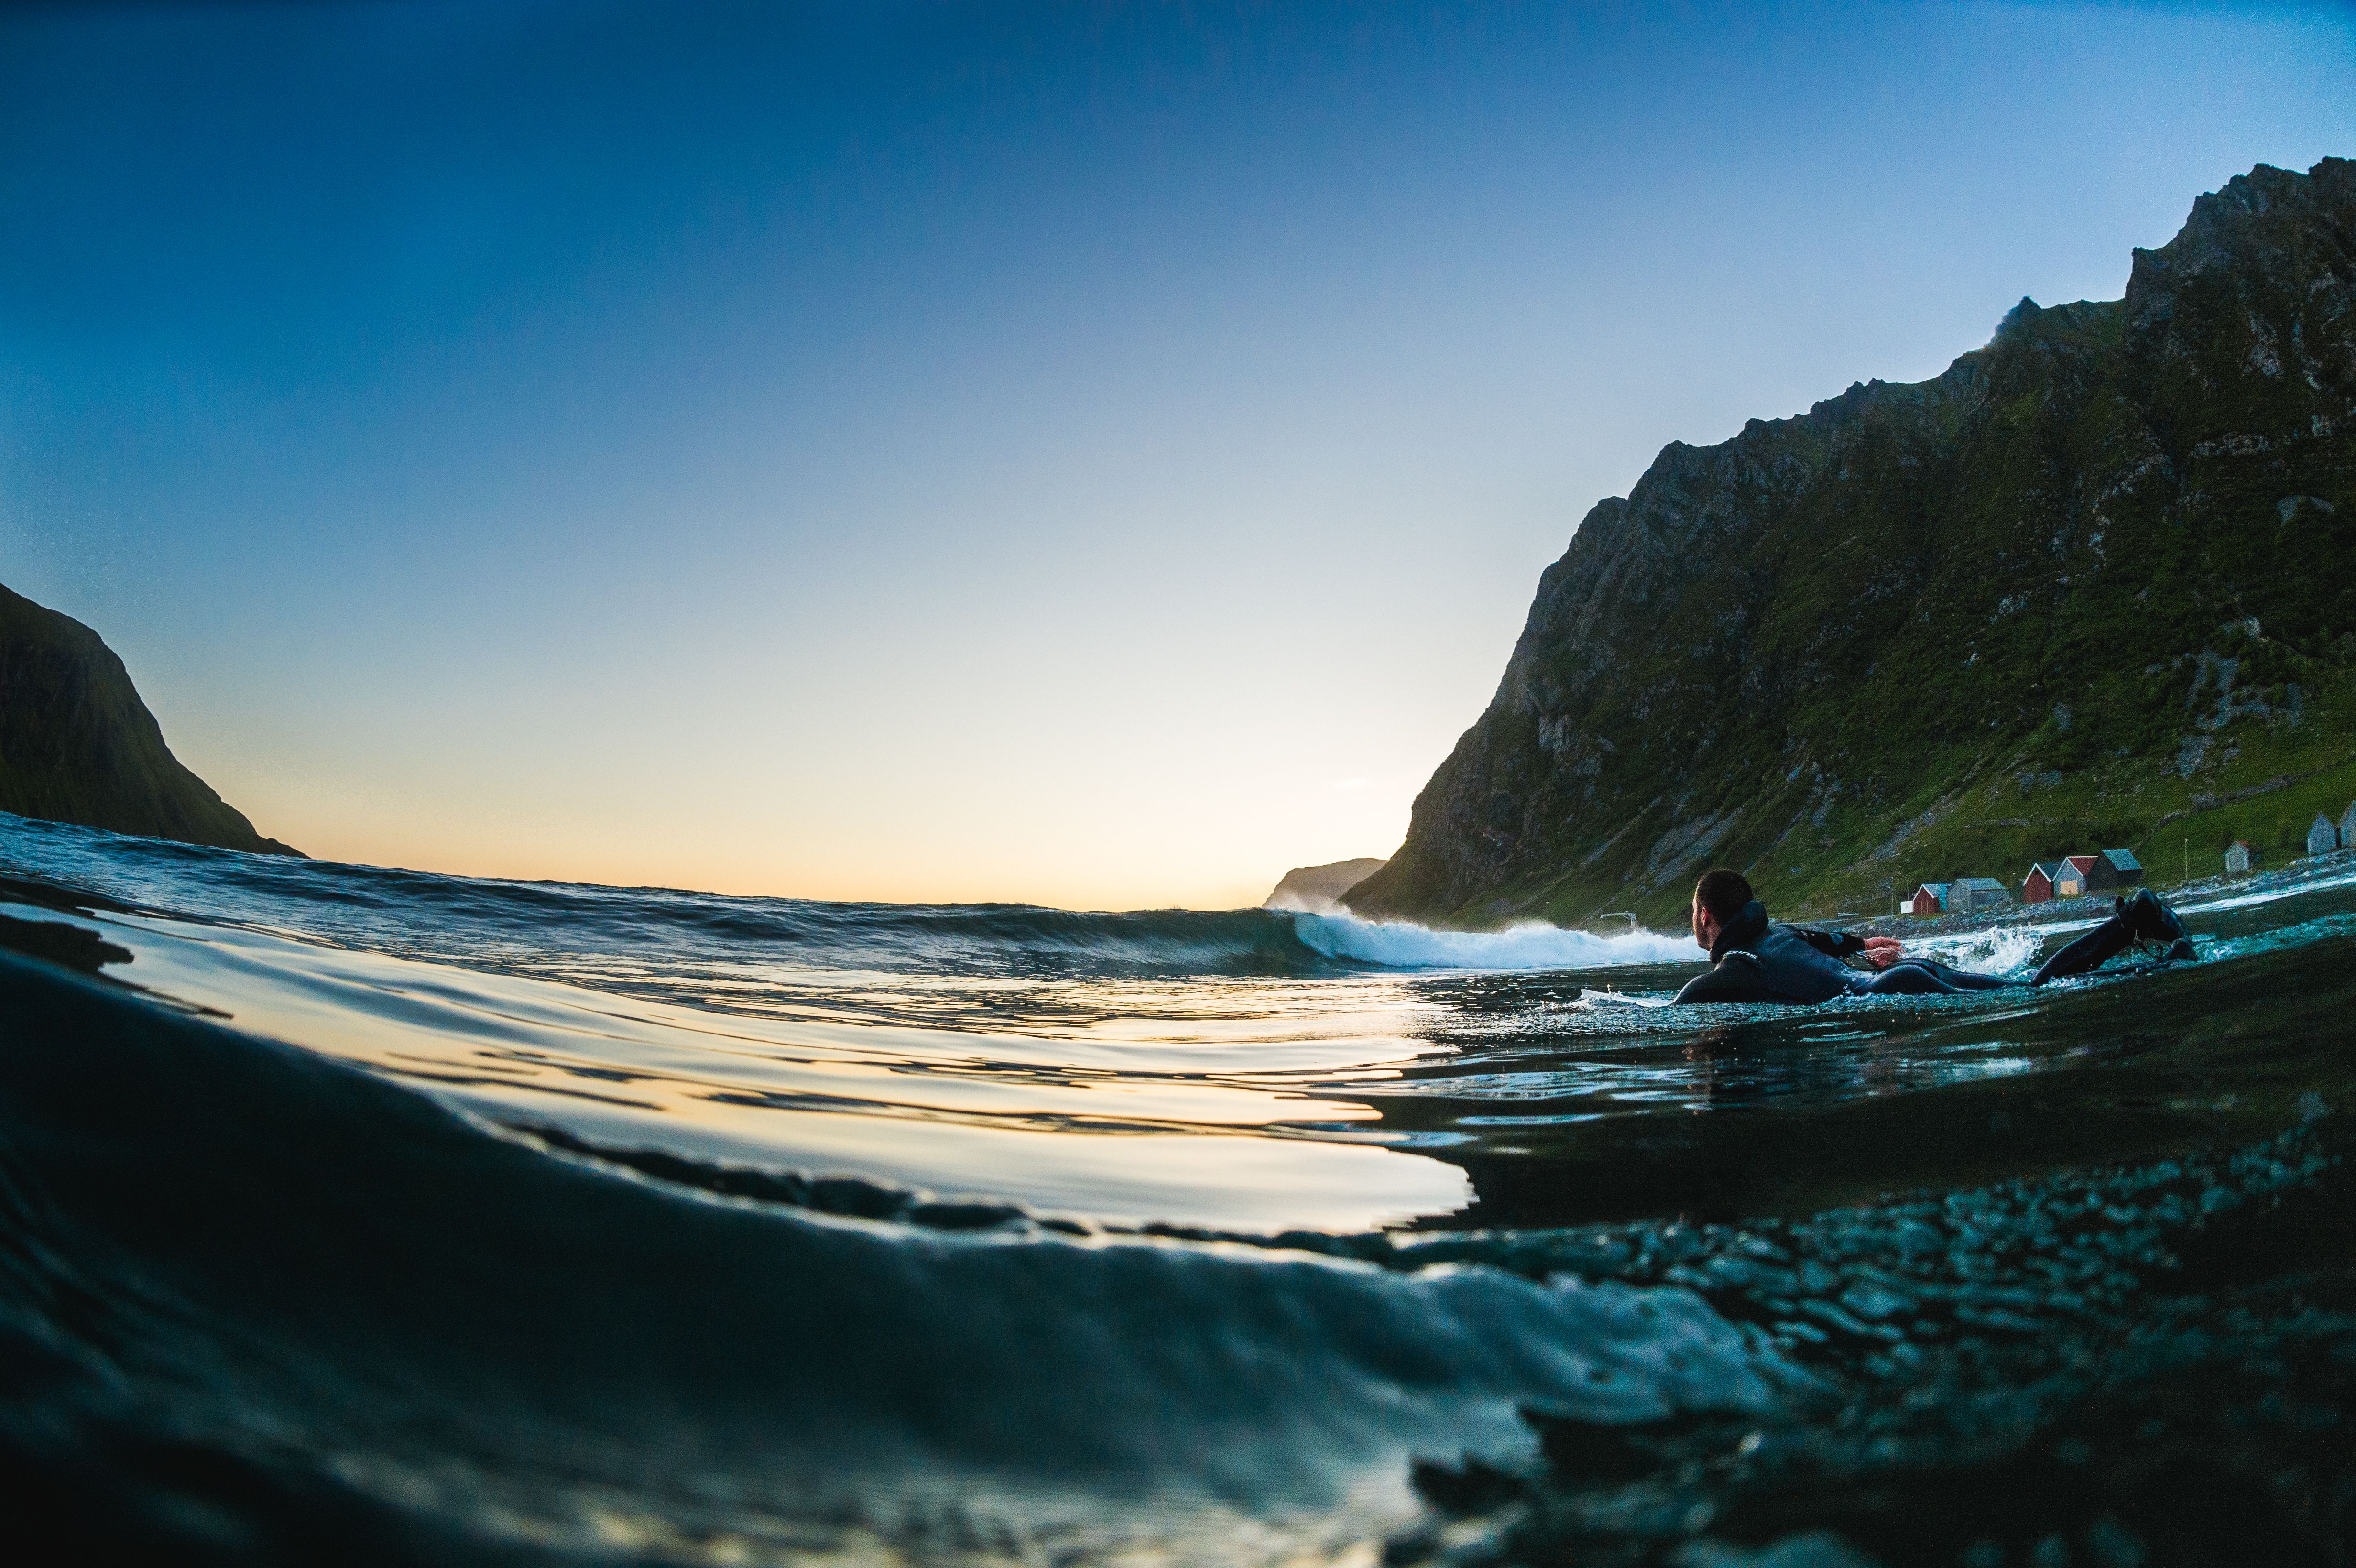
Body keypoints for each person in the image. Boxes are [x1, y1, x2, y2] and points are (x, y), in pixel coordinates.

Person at [1672, 867, 2193, 1005]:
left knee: (2037, 990)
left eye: (1693, 911)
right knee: (2033, 986)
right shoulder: (1777, 934)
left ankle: (2143, 939)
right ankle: (2132, 925)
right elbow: (1829, 940)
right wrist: (1862, 945)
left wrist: (1598, 1013)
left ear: (1705, 917)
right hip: (1903, 979)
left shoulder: (1736, 964)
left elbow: (1684, 1001)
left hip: (1893, 990)